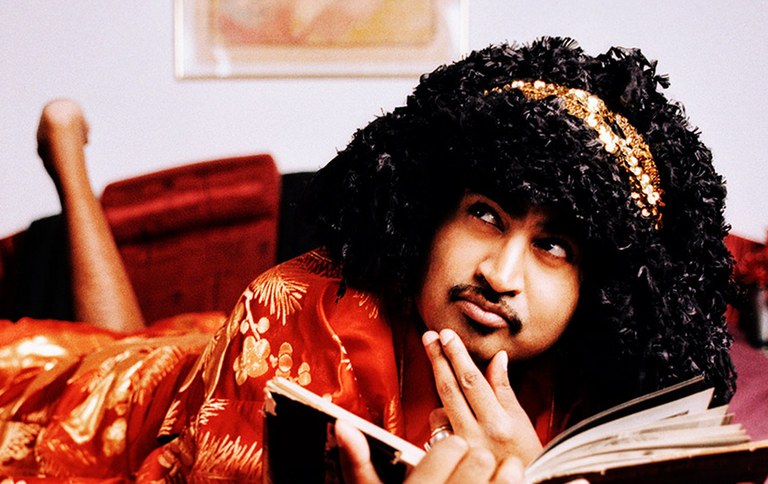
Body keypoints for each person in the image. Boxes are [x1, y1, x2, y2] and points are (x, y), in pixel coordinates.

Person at [0, 36, 735, 482]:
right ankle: (68, 157)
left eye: (552, 246)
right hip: (161, 393)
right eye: (486, 214)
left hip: (196, 346)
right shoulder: (290, 311)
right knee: (111, 368)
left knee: (132, 338)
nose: (500, 275)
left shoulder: (593, 389)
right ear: (432, 213)